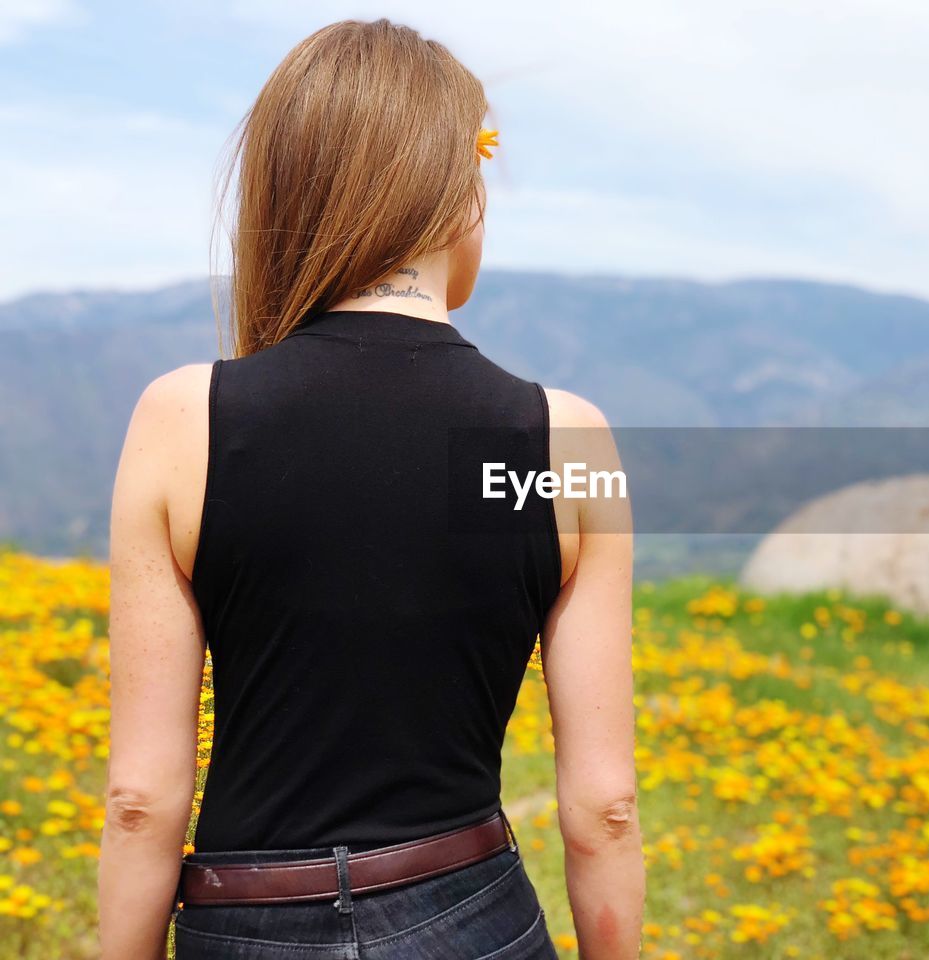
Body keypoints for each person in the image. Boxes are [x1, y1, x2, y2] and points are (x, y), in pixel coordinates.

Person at [97, 18, 643, 960]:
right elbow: (605, 809)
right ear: (462, 198)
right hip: (472, 918)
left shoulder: (182, 420)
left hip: (246, 923)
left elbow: (142, 802)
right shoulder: (567, 439)